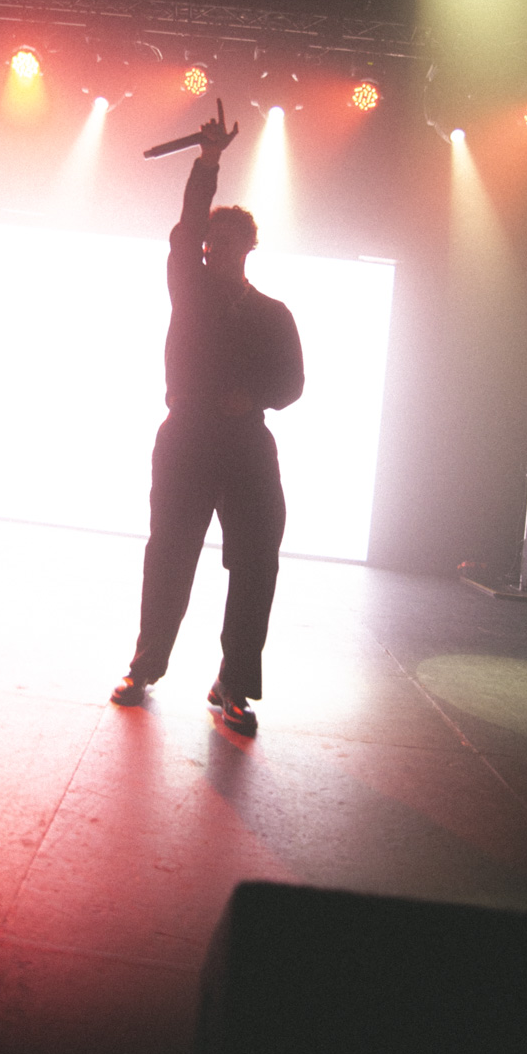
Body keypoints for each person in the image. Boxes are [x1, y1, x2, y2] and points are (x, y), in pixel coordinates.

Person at [111, 101, 304, 734]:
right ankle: (144, 668)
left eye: (229, 241)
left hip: (248, 448)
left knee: (257, 560)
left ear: (248, 248)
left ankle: (233, 685)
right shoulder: (186, 286)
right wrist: (209, 161)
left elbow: (293, 384)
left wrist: (255, 399)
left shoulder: (274, 313)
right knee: (170, 551)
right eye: (209, 240)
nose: (216, 248)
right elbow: (185, 226)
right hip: (187, 438)